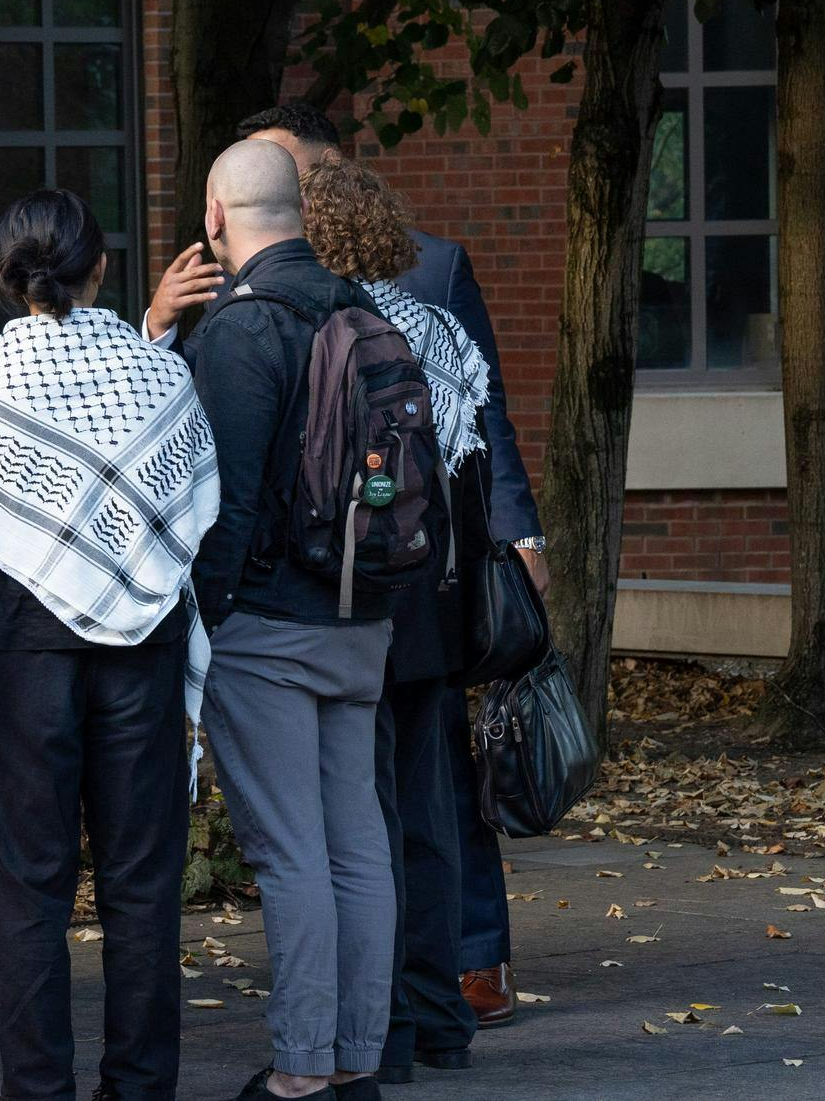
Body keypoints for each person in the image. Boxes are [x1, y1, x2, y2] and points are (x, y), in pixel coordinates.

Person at [236, 102, 548, 1028]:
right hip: (354, 570)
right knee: (387, 779)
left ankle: (469, 957)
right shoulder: (264, 279)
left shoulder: (432, 270)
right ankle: (404, 982)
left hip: (414, 566)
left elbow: (486, 418)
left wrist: (520, 533)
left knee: (432, 772)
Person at [0, 190, 219, 1101]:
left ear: (6, 277)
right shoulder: (157, 375)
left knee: (28, 888)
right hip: (144, 643)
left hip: (29, 647)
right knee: (142, 881)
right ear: (100, 269)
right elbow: (190, 512)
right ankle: (141, 1087)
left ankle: (38, 1089)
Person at [189, 140, 393, 1101]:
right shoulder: (364, 307)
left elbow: (223, 503)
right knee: (357, 842)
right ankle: (358, 1057)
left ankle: (304, 1069)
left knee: (289, 853)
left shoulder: (242, 327)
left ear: (217, 216)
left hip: (267, 624)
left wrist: (208, 620)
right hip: (365, 615)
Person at [295, 154, 493, 1084]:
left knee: (363, 815)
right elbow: (474, 465)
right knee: (431, 808)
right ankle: (440, 1009)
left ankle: (387, 1035)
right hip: (436, 600)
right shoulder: (435, 328)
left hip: (359, 596)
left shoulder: (323, 329)